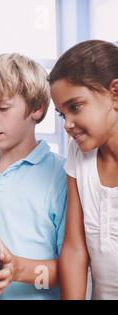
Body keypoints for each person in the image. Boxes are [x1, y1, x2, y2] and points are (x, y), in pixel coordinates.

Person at [0, 53, 67, 299]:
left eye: (2, 107)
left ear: (37, 108)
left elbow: (68, 272)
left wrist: (20, 270)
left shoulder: (61, 176)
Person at [49, 40, 118, 300]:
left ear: (115, 93)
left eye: (75, 107)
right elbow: (75, 249)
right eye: (61, 114)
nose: (67, 124)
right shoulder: (79, 154)